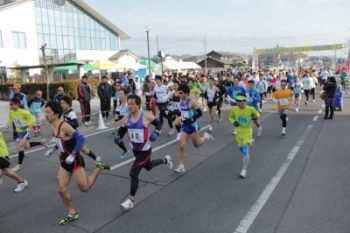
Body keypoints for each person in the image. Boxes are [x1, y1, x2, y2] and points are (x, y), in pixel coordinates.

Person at [44, 100, 110, 225]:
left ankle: (99, 168)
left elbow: (81, 138)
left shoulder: (64, 126)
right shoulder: (52, 127)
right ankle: (72, 213)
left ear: (56, 114)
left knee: (84, 188)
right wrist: (52, 150)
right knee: (61, 189)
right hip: (64, 159)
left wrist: (73, 155)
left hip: (74, 161)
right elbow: (61, 142)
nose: (45, 115)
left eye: (48, 112)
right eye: (45, 112)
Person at [113, 94, 173, 211]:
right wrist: (118, 137)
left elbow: (159, 123)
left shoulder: (146, 116)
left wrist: (156, 132)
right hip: (135, 150)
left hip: (145, 150)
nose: (129, 106)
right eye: (128, 104)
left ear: (139, 105)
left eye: (132, 104)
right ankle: (165, 160)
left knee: (133, 172)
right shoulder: (126, 118)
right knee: (148, 166)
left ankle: (130, 200)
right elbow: (123, 129)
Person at [45, 96, 101, 162]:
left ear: (68, 104)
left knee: (84, 150)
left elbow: (76, 124)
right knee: (63, 151)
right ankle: (66, 165)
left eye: (63, 103)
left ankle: (96, 159)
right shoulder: (64, 112)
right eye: (61, 103)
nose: (61, 105)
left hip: (72, 135)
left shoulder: (71, 113)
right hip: (67, 134)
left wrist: (65, 125)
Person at [172, 84, 214, 173]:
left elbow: (200, 113)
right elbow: (182, 113)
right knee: (182, 145)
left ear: (186, 93)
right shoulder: (181, 101)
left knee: (197, 145)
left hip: (193, 126)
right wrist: (179, 119)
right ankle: (181, 165)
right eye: (178, 93)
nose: (179, 94)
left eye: (181, 93)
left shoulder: (192, 102)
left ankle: (205, 137)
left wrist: (191, 119)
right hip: (185, 126)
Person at [5, 98, 48, 172]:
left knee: (20, 147)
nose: (11, 106)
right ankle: (41, 143)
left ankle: (19, 165)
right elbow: (10, 119)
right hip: (18, 132)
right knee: (27, 146)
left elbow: (32, 119)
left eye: (12, 104)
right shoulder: (11, 112)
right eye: (10, 104)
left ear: (17, 104)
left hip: (25, 131)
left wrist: (27, 125)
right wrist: (8, 125)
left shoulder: (24, 112)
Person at [228, 93, 260, 178]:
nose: (238, 103)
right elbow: (230, 117)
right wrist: (233, 122)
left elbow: (257, 113)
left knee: (245, 151)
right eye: (237, 101)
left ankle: (244, 170)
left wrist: (256, 117)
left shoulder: (250, 109)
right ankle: (250, 142)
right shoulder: (234, 109)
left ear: (245, 101)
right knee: (242, 151)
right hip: (239, 132)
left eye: (240, 101)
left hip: (247, 131)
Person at [111, 88, 130, 159]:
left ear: (126, 95)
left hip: (132, 125)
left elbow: (131, 115)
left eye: (122, 94)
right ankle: (125, 150)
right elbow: (117, 116)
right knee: (117, 140)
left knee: (135, 142)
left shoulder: (129, 104)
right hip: (124, 125)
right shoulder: (119, 105)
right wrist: (115, 128)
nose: (120, 95)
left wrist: (121, 116)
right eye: (119, 94)